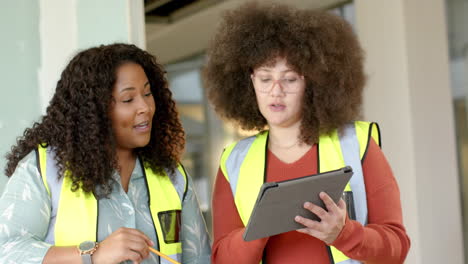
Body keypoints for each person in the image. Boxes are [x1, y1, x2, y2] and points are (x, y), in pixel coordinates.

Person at [203, 2, 410, 264]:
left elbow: (396, 248)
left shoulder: (356, 144)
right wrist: (259, 228)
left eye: (289, 79)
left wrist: (343, 233)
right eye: (265, 79)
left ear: (312, 82)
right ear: (249, 82)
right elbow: (222, 259)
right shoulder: (234, 161)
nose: (276, 91)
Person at [0, 43, 211, 264]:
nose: (145, 107)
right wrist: (94, 254)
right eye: (128, 99)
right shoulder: (43, 169)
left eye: (148, 94)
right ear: (94, 110)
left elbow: (199, 259)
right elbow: (7, 251)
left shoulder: (172, 175)